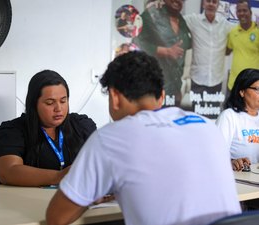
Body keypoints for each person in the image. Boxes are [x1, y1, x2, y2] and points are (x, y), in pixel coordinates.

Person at [46, 51, 241, 225]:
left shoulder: (110, 138)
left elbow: (57, 218)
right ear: (162, 96)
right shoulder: (206, 125)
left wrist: (90, 194)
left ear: (114, 97)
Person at [0, 70, 96, 187]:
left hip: (77, 199)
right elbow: (8, 172)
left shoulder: (81, 125)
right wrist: (60, 176)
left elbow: (101, 162)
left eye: (63, 101)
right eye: (50, 103)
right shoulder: (13, 131)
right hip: (26, 201)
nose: (59, 108)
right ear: (33, 104)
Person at [133, 0, 191, 107]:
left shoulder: (182, 21)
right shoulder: (152, 13)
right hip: (153, 89)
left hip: (175, 90)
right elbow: (136, 41)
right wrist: (166, 51)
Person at [184, 0, 232, 119]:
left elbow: (240, 34)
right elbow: (174, 18)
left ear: (218, 5)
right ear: (203, 4)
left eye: (214, 2)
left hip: (216, 81)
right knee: (197, 118)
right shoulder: (193, 21)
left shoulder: (225, 25)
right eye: (208, 1)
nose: (211, 4)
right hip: (197, 81)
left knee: (213, 118)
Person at [216, 68, 259, 171]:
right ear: (242, 92)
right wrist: (232, 162)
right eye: (258, 89)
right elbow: (215, 156)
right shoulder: (229, 117)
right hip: (238, 181)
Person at [226, 0, 259, 91]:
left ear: (250, 12)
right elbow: (227, 51)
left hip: (252, 85)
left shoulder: (257, 31)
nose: (242, 13)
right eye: (239, 11)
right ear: (236, 13)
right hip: (234, 84)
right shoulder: (233, 32)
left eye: (244, 10)